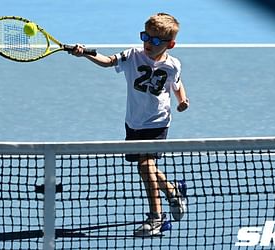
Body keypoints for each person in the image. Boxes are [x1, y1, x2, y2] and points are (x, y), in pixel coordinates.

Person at [71, 13, 189, 237]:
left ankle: (156, 218)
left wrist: (182, 100)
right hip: (134, 122)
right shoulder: (133, 55)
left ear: (170, 44)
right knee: (148, 167)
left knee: (145, 167)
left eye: (155, 40)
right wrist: (85, 53)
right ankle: (174, 192)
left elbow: (177, 84)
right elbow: (108, 62)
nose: (148, 43)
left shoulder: (173, 65)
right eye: (145, 36)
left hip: (157, 122)